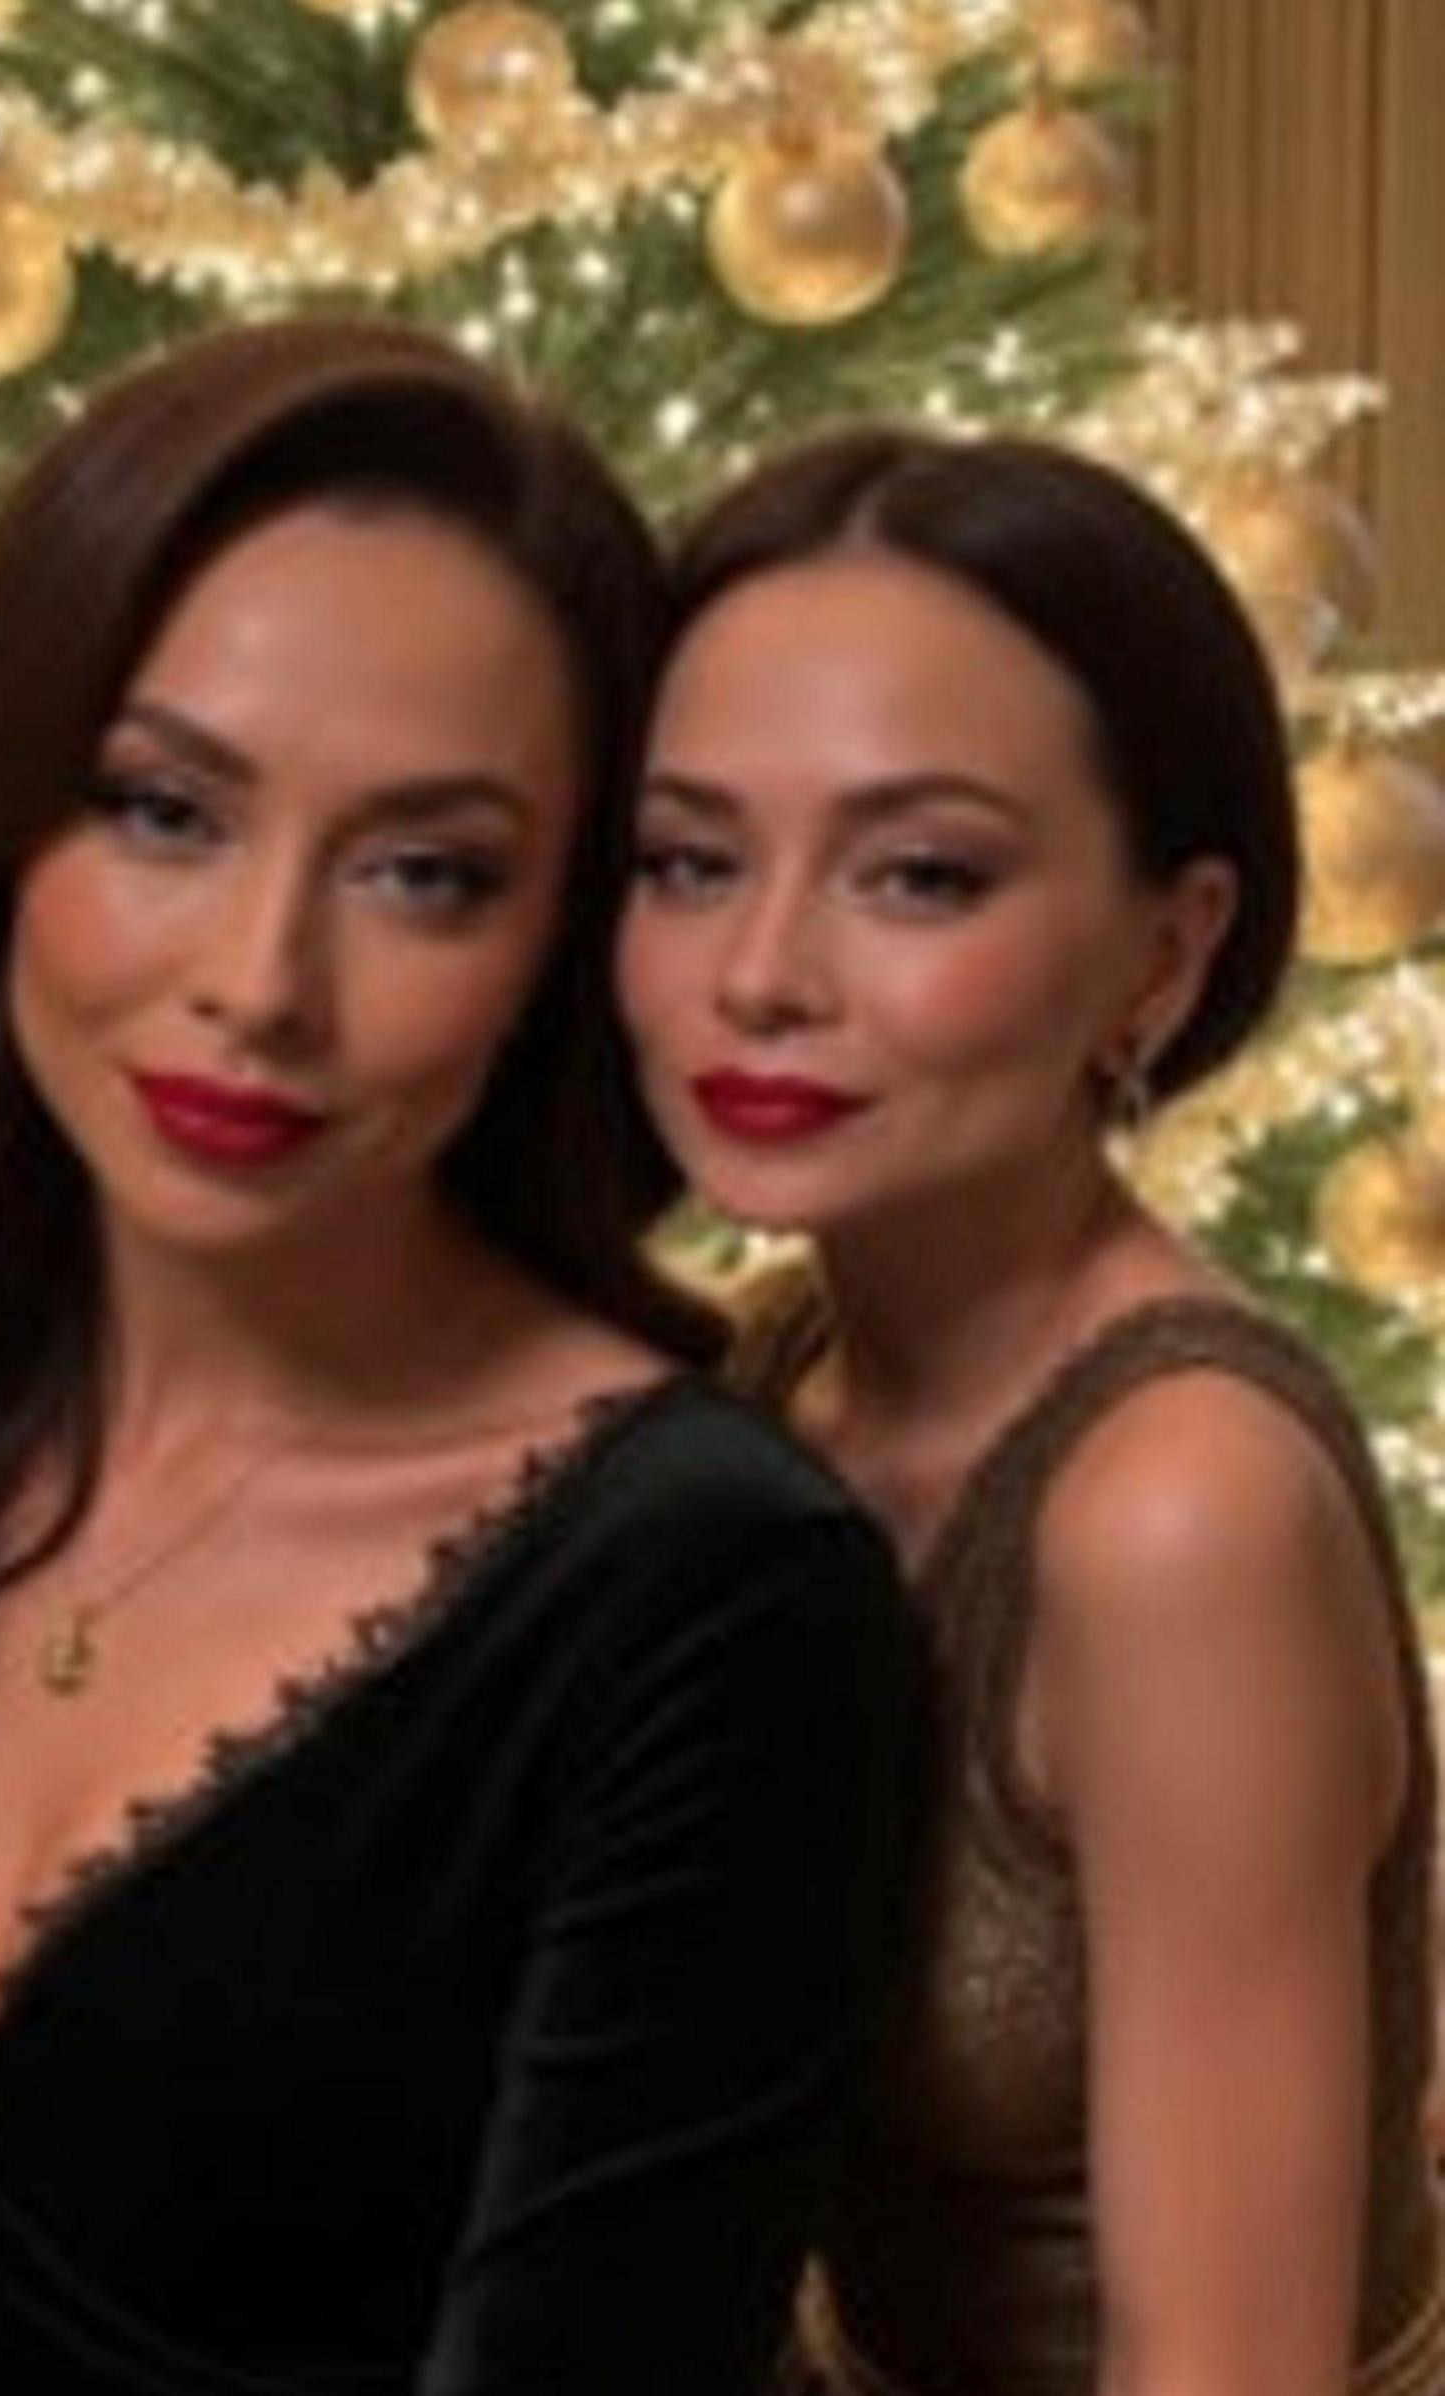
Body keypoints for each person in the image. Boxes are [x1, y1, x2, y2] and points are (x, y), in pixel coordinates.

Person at [0, 321, 921, 2395]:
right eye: (161, 811)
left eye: (424, 874)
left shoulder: (710, 1596)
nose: (261, 983)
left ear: (559, 940)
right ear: (8, 812)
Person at [617, 425, 1445, 2396]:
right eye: (689, 859)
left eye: (918, 873)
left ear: (1163, 953)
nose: (759, 973)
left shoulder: (1174, 1512)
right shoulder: (765, 1371)